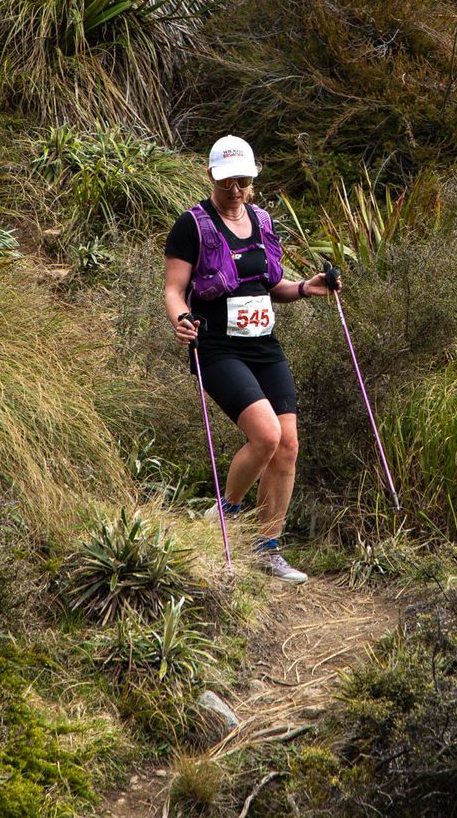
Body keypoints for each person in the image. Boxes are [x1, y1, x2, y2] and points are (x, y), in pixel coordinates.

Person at [163, 136, 336, 583]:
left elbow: (267, 286)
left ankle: (267, 548)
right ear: (211, 177)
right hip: (217, 347)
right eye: (226, 182)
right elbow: (173, 289)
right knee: (266, 435)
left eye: (243, 181)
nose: (235, 190)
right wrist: (182, 319)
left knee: (288, 444)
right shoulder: (192, 226)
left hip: (264, 344)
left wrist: (305, 287)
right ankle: (226, 512)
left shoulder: (262, 221)